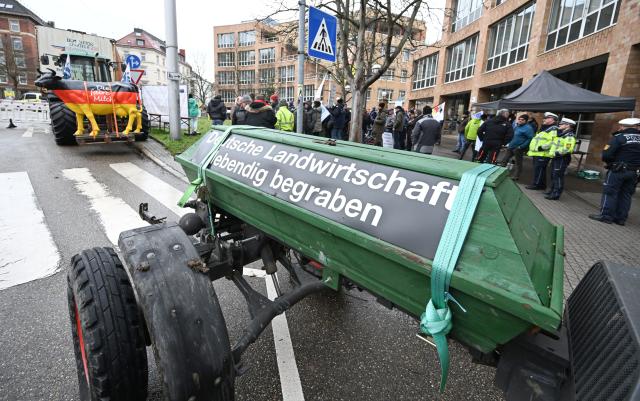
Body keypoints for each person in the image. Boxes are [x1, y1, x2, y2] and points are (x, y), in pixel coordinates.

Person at [589, 118, 640, 225]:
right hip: (634, 172)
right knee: (626, 194)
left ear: (623, 126)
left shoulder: (619, 138)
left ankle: (606, 216)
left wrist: (611, 163)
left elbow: (607, 155)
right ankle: (621, 219)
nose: (619, 127)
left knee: (610, 192)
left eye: (621, 126)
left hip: (618, 170)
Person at [544, 117, 577, 200]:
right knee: (553, 175)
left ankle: (556, 194)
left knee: (557, 176)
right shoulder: (562, 134)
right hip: (556, 158)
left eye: (562, 124)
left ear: (568, 126)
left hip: (561, 158)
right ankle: (552, 190)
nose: (560, 125)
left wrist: (556, 153)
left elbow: (567, 149)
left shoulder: (569, 136)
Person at [526, 112, 559, 190]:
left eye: (547, 118)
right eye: (545, 118)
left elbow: (553, 142)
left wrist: (541, 148)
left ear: (552, 120)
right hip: (538, 152)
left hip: (543, 153)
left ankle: (536, 185)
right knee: (540, 170)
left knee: (539, 169)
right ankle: (541, 185)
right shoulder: (545, 128)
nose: (544, 119)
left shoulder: (553, 129)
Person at [500, 114, 535, 180]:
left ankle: (516, 176)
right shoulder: (517, 126)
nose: (520, 120)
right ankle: (500, 173)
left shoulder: (528, 128)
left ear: (526, 121)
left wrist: (521, 146)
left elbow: (530, 139)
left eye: (522, 120)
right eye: (519, 119)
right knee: (504, 160)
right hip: (511, 146)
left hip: (518, 148)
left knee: (518, 162)